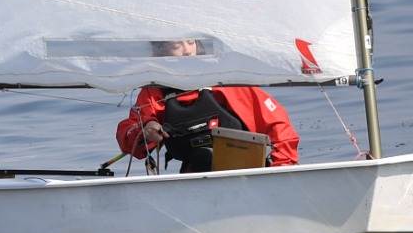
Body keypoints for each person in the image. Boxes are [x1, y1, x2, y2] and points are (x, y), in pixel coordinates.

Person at [118, 44, 300, 172]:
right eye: (176, 46)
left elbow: (279, 125)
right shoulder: (154, 93)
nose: (188, 50)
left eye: (191, 42)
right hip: (197, 181)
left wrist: (281, 169)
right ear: (159, 50)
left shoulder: (227, 82)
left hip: (248, 173)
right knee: (202, 157)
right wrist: (146, 128)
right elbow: (128, 136)